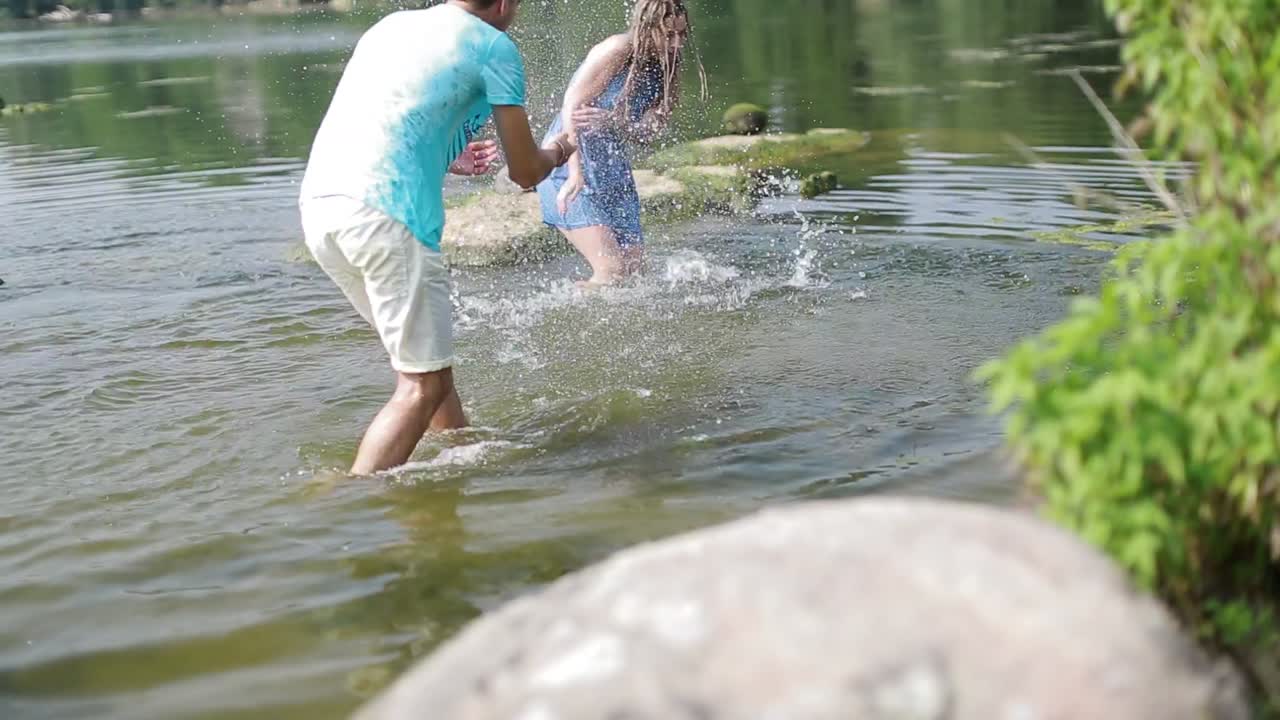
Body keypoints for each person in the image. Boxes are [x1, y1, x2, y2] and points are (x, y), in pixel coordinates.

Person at [298, 0, 576, 475]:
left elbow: (379, 119)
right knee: (420, 387)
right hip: (388, 217)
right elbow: (526, 169)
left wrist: (446, 154)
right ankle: (349, 503)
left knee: (428, 368)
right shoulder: (493, 46)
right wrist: (560, 149)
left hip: (324, 208)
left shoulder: (393, 26)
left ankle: (460, 450)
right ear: (505, 2)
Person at [536, 0, 706, 286]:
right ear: (646, 27)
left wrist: (619, 123)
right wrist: (575, 174)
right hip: (569, 166)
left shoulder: (669, 64)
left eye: (683, 34)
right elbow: (571, 106)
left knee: (635, 272)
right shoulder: (618, 49)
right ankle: (569, 318)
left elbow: (650, 131)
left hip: (613, 172)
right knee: (611, 270)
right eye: (669, 35)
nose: (677, 44)